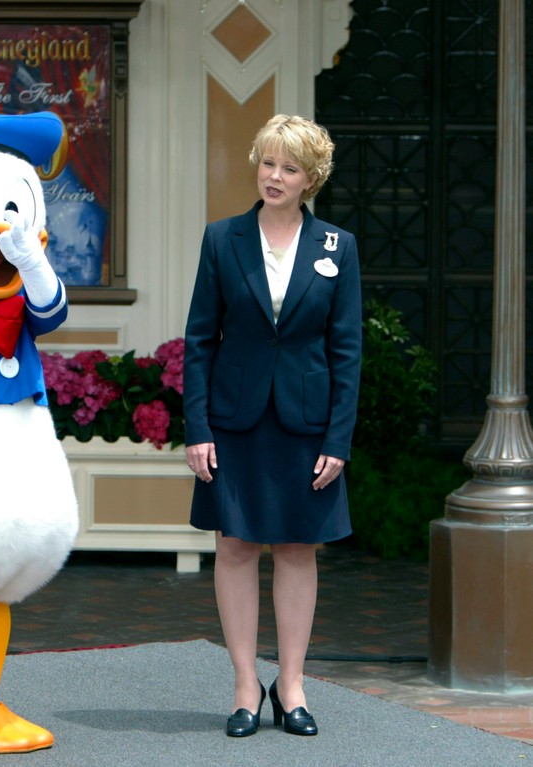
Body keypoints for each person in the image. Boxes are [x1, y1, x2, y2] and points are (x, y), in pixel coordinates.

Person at [183, 114, 361, 738]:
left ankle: (291, 685)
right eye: (267, 163)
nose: (275, 176)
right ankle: (243, 687)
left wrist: (338, 439)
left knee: (296, 547)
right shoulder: (222, 238)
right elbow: (199, 340)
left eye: (289, 167)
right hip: (233, 421)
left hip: (307, 423)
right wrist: (197, 428)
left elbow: (347, 350)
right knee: (234, 545)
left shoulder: (338, 245)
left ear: (312, 178)